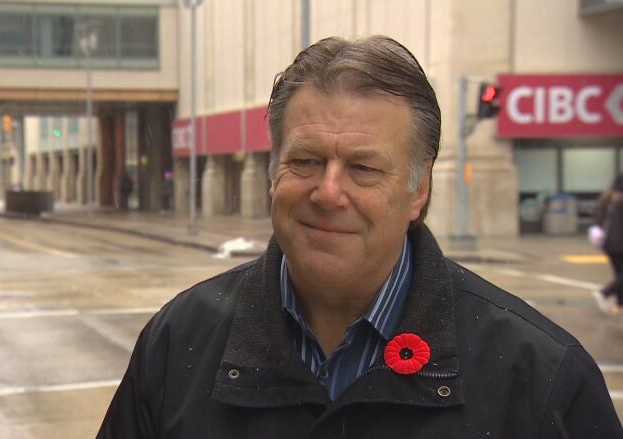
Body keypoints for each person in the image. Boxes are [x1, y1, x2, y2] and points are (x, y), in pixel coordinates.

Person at [97, 36, 622, 438]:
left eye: (364, 168)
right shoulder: (175, 343)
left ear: (418, 192)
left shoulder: (541, 378)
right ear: (273, 173)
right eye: (305, 161)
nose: (328, 192)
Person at [593, 174, 623, 315]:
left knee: (619, 273)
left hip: (608, 243)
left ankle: (619, 304)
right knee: (621, 275)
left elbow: (598, 218)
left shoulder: (606, 198)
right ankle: (605, 293)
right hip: (619, 243)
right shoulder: (620, 200)